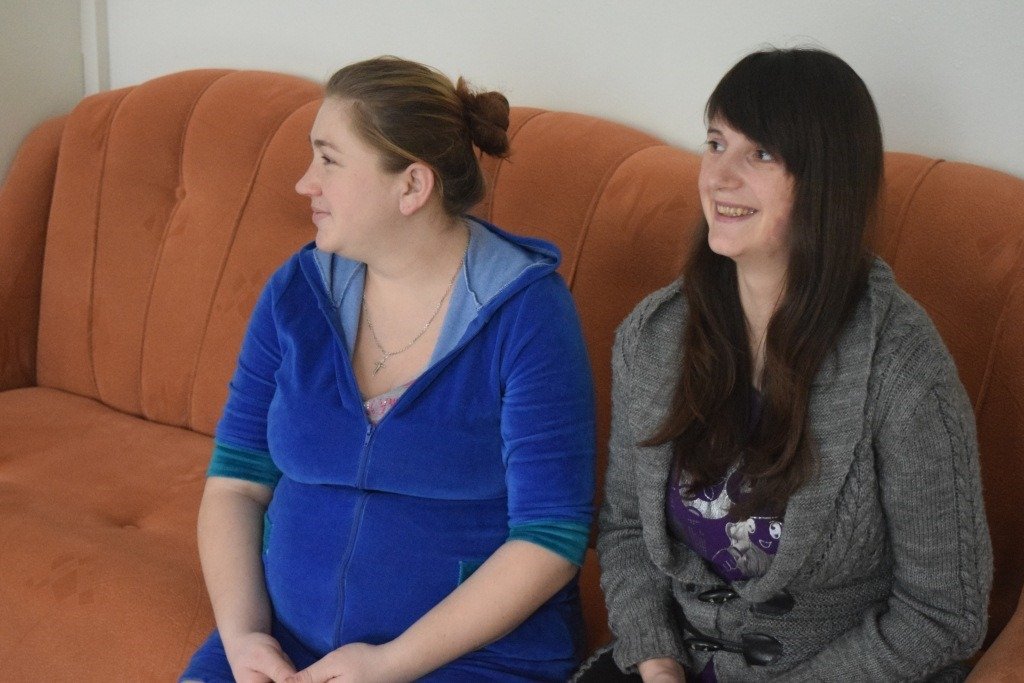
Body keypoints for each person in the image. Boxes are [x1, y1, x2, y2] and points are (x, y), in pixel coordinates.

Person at [181, 56, 595, 683]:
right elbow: (236, 483)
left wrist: (388, 665)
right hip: (283, 641)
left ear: (412, 186)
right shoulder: (297, 291)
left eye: (329, 160)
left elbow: (550, 538)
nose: (304, 183)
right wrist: (244, 639)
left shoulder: (528, 313)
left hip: (470, 658)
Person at [587, 47, 992, 682]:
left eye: (762, 155)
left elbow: (944, 614)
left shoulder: (903, 370)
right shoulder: (655, 335)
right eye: (716, 143)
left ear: (828, 182)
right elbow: (625, 531)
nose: (719, 177)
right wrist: (657, 661)